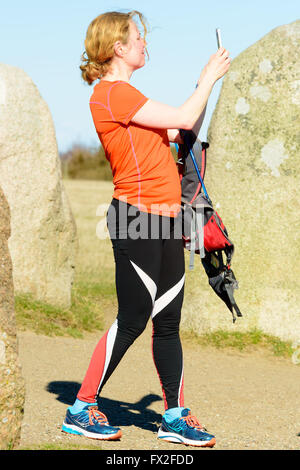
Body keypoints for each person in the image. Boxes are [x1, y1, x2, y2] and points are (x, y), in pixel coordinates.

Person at [61, 10, 230, 447]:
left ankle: (173, 415)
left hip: (168, 217)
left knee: (168, 321)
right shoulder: (112, 94)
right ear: (117, 46)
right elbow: (183, 112)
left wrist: (206, 86)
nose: (145, 44)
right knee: (134, 317)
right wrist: (207, 78)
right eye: (139, 37)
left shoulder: (132, 96)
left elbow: (184, 125)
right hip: (135, 218)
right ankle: (81, 407)